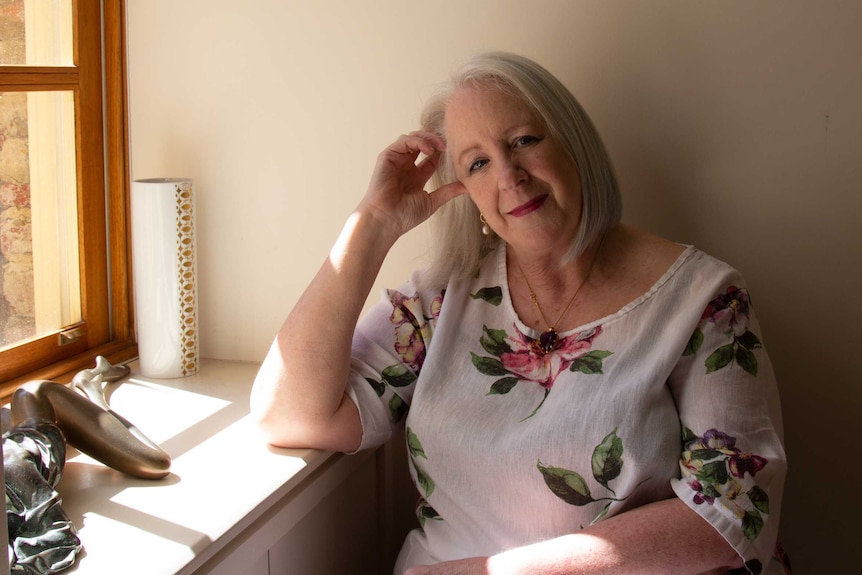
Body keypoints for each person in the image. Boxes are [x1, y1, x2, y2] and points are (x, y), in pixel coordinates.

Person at [251, 52, 789, 575]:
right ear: (468, 194)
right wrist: (372, 224)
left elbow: (733, 515)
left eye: (524, 141)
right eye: (478, 163)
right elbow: (289, 413)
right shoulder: (442, 300)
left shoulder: (703, 299)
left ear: (574, 144)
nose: (509, 175)